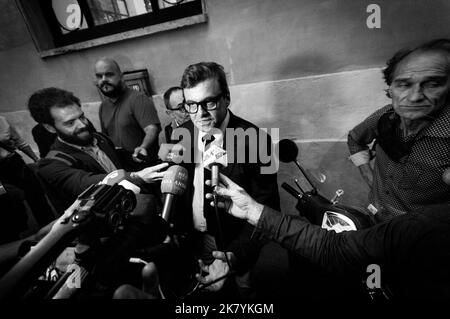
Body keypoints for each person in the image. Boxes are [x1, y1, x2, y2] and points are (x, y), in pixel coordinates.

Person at [207, 170, 450, 299]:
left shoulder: (429, 226)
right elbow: (336, 249)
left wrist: (240, 250)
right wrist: (252, 211)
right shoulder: (428, 225)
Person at [170, 62, 280, 298]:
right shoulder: (182, 133)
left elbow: (268, 209)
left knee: (244, 293)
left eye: (209, 102)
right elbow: (179, 184)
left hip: (237, 245)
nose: (200, 114)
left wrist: (235, 255)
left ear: (226, 98)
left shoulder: (257, 142)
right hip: (195, 240)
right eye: (191, 105)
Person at [348, 39, 450, 222]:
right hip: (376, 214)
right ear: (390, 90)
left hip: (417, 234)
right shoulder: (383, 117)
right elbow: (355, 140)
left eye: (433, 84)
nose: (414, 97)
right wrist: (368, 176)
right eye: (404, 84)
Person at [27, 87, 168, 215]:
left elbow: (116, 164)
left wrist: (138, 156)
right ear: (50, 128)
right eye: (70, 123)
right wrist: (137, 176)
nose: (82, 125)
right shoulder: (51, 165)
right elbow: (86, 182)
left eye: (81, 116)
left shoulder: (100, 138)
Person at [94, 58, 161, 169]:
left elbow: (152, 129)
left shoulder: (138, 99)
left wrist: (143, 147)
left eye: (109, 75)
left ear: (121, 76)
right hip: (121, 167)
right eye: (99, 76)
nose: (104, 80)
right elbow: (106, 138)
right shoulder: (103, 106)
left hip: (143, 164)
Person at [0, 116, 54, 228]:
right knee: (8, 200)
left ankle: (49, 226)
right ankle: (19, 232)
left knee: (36, 195)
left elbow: (20, 142)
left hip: (14, 162)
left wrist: (36, 159)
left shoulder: (2, 120)